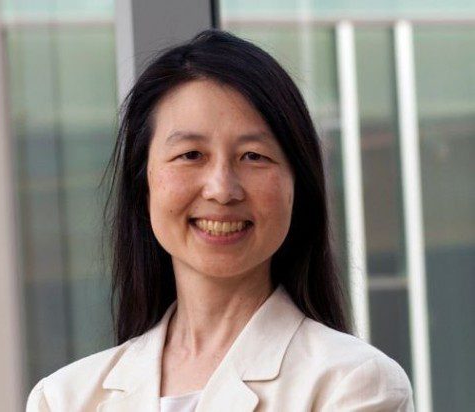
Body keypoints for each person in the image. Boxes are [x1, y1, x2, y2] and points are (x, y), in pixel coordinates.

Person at [26, 29, 414, 411]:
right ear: (143, 182)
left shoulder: (355, 383)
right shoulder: (64, 398)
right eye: (191, 154)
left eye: (253, 156)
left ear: (298, 184)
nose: (222, 189)